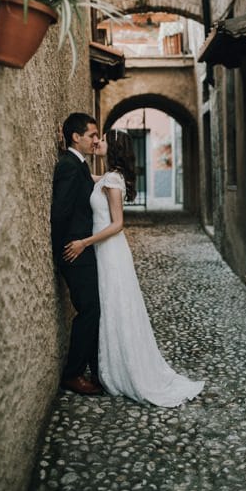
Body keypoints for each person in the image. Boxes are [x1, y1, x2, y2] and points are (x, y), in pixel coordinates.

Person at [63, 129, 204, 407]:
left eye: (102, 139)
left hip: (109, 251)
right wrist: (67, 146)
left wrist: (83, 242)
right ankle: (108, 364)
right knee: (109, 307)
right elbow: (82, 176)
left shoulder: (113, 180)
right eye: (94, 137)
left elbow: (117, 224)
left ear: (112, 147)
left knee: (116, 306)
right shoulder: (106, 177)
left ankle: (124, 369)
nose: (97, 142)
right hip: (102, 252)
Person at [51, 112, 104, 396]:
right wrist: (64, 250)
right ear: (76, 137)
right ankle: (73, 374)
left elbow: (100, 181)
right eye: (92, 135)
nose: (96, 140)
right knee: (90, 309)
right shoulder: (69, 166)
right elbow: (60, 212)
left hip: (84, 247)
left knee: (93, 308)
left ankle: (93, 368)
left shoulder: (79, 164)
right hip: (75, 250)